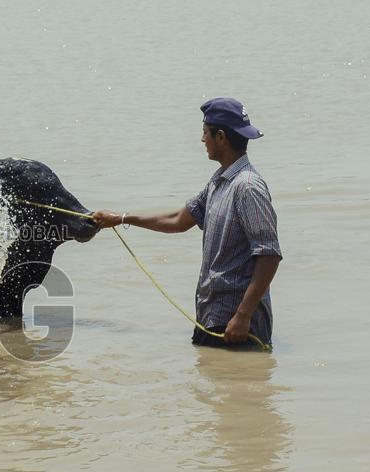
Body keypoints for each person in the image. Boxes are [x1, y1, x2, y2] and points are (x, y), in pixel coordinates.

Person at [93, 98, 282, 348]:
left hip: (238, 325)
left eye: (205, 132)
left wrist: (243, 315)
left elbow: (269, 254)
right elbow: (178, 221)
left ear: (221, 137)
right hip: (212, 315)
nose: (202, 139)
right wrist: (121, 218)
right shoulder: (219, 181)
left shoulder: (247, 187)